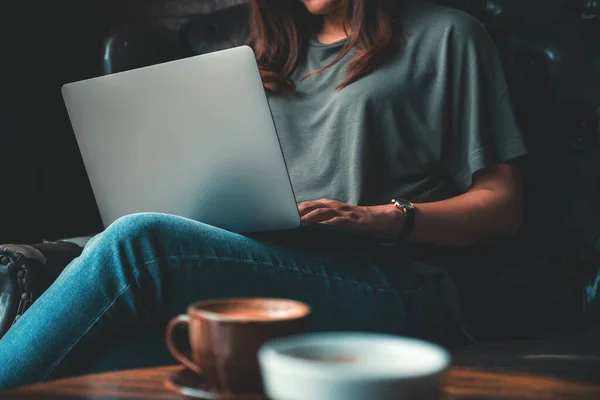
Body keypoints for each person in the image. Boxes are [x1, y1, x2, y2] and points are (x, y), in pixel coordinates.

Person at [0, 0, 527, 390]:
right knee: (114, 361)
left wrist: (379, 218)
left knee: (139, 240)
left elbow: (502, 209)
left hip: (397, 276)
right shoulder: (251, 47)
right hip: (274, 267)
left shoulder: (448, 37)